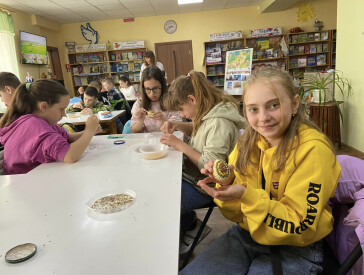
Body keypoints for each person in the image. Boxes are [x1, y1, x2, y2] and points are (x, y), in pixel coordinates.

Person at [180, 67, 341, 274]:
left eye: (273, 105)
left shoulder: (313, 150)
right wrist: (227, 184)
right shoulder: (247, 143)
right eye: (253, 109)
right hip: (249, 234)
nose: (263, 118)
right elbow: (237, 215)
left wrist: (246, 196)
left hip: (297, 246)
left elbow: (299, 224)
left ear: (294, 104)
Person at [160, 71, 245, 254]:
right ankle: (190, 224)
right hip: (192, 178)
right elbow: (200, 129)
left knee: (164, 204)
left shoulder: (220, 122)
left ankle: (173, 245)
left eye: (181, 109)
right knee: (160, 187)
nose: (182, 114)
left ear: (192, 99)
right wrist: (178, 126)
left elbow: (210, 166)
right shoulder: (210, 111)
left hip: (204, 187)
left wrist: (179, 144)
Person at [0, 79, 102, 175]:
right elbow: (69, 156)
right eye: (61, 109)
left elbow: (66, 137)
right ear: (44, 106)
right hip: (26, 184)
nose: (64, 115)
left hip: (37, 177)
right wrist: (88, 131)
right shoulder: (34, 125)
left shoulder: (40, 121)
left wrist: (88, 132)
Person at [131, 66, 181, 133]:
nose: (152, 93)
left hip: (168, 140)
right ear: (143, 89)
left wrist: (163, 120)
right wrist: (140, 121)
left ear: (162, 86)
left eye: (155, 88)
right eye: (148, 89)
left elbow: (178, 129)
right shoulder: (139, 104)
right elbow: (134, 131)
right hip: (147, 141)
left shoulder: (172, 102)